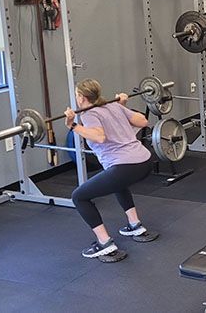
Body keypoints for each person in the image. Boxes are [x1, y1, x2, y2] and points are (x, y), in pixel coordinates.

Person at [66, 79, 155, 259]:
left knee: (79, 196)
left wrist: (73, 125)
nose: (76, 98)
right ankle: (135, 225)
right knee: (116, 182)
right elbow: (143, 121)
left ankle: (104, 243)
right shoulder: (114, 106)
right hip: (144, 161)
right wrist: (122, 107)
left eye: (77, 95)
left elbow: (99, 137)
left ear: (82, 98)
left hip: (124, 166)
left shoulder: (88, 114)